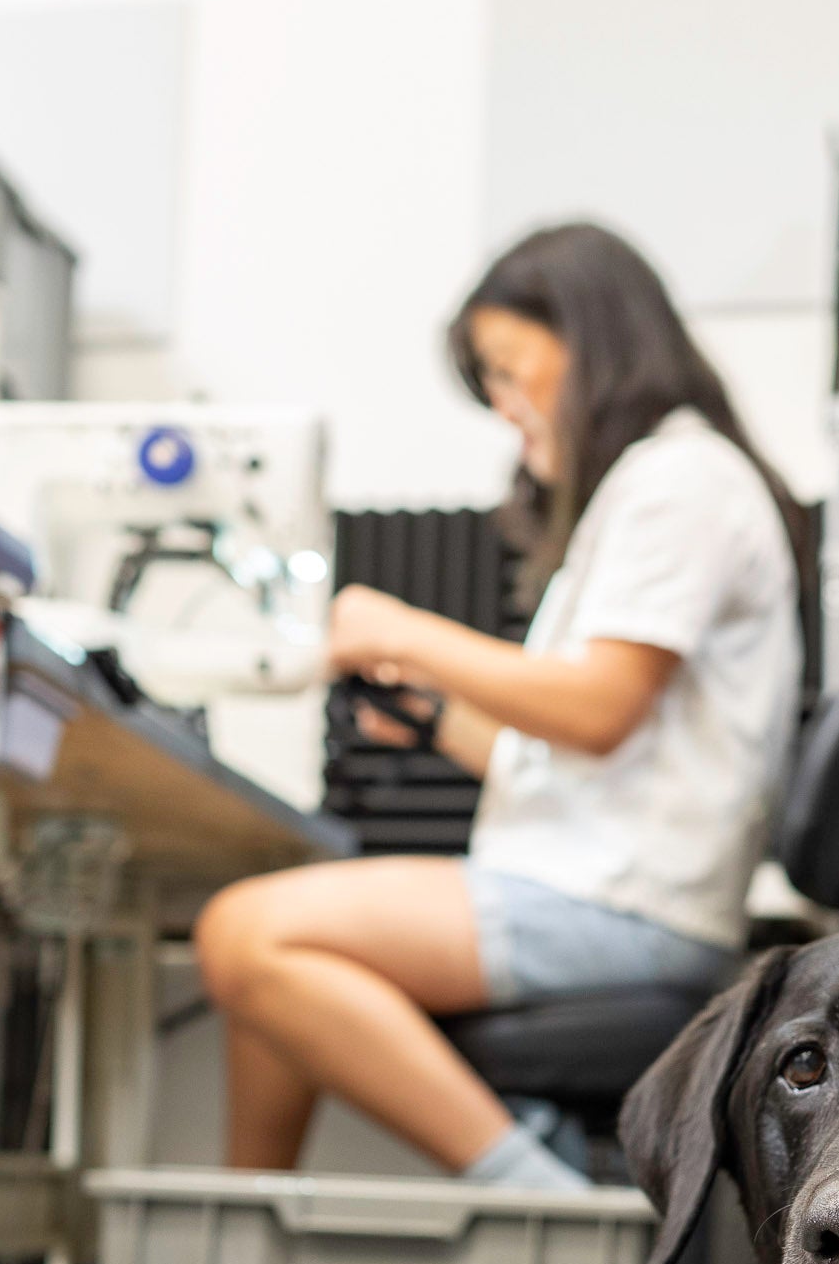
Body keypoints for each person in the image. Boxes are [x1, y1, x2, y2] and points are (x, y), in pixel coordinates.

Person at [194, 221, 806, 1192]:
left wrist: (395, 629)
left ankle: (540, 1211)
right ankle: (238, 1234)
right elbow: (578, 751)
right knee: (262, 969)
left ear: (593, 343)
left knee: (243, 933)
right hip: (594, 877)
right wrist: (436, 721)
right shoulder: (644, 491)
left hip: (621, 903)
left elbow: (597, 708)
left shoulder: (678, 481)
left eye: (511, 373)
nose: (505, 408)